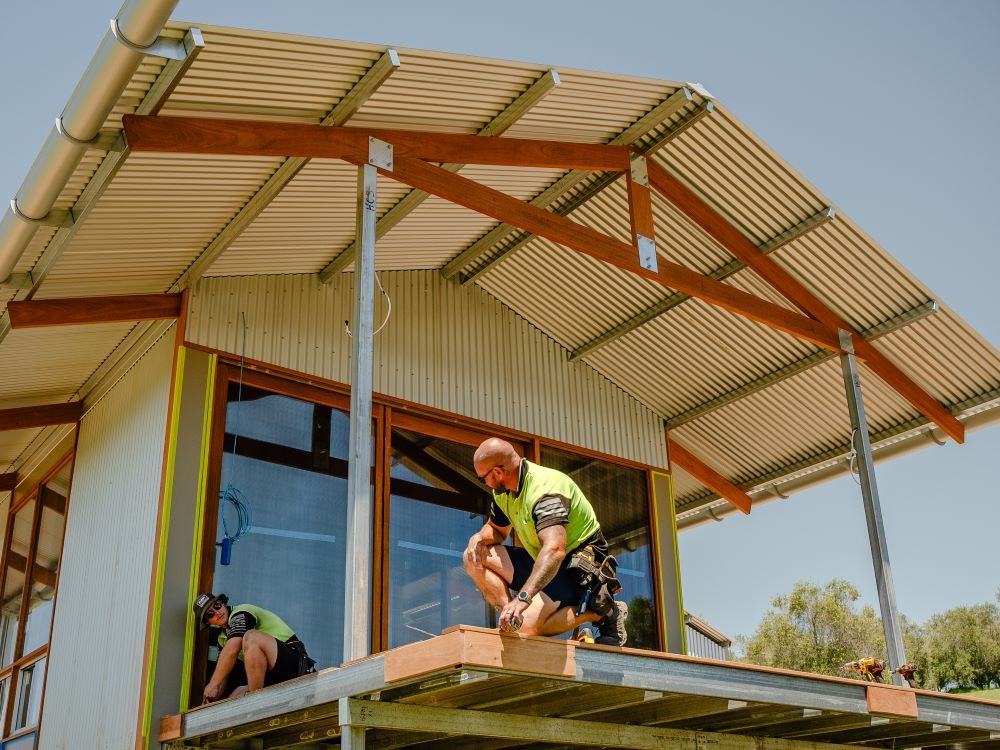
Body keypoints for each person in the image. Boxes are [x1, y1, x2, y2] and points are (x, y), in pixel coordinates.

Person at [462, 438, 628, 646]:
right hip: (542, 557)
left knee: (527, 628)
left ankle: (601, 613)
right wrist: (477, 538)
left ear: (497, 473)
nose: (484, 483)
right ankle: (512, 619)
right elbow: (496, 530)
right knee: (475, 557)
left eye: (482, 478)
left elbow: (555, 550)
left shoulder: (545, 492)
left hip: (573, 566)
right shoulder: (503, 493)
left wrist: (523, 598)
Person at [193, 592, 315, 703]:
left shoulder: (241, 612)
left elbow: (232, 649)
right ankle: (254, 706)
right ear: (208, 622)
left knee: (251, 637)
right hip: (272, 677)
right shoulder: (222, 638)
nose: (217, 612)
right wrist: (210, 699)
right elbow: (224, 674)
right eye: (210, 614)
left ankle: (255, 703)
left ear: (223, 603)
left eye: (217, 605)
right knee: (232, 699)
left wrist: (213, 684)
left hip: (294, 665)